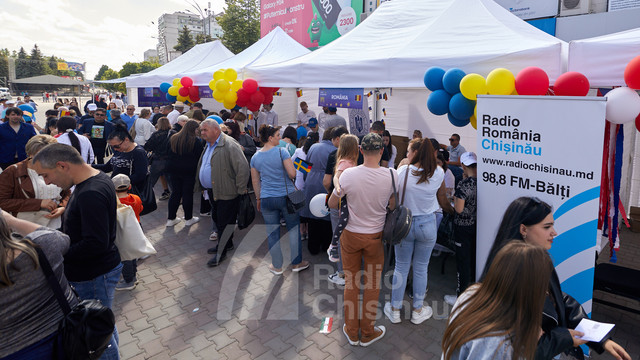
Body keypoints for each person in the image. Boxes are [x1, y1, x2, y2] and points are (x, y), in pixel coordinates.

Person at [481, 197, 631, 360]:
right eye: (547, 227)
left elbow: (557, 299)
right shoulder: (508, 276)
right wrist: (565, 338)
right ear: (523, 229)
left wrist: (600, 338)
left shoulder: (540, 259)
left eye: (552, 225)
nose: (554, 232)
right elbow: (519, 350)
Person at [31, 143, 121, 360]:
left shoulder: (91, 192)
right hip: (95, 273)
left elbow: (95, 243)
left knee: (95, 337)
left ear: (62, 165)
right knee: (102, 324)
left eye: (46, 175)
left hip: (93, 274)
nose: (46, 182)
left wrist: (56, 251)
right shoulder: (95, 179)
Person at [327, 133, 396, 347]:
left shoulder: (348, 175)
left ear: (361, 151)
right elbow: (392, 206)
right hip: (375, 236)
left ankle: (351, 328)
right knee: (373, 284)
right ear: (382, 151)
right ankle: (367, 332)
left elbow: (331, 203)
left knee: (351, 282)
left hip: (350, 235)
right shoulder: (392, 175)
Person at [442, 242, 555, 360]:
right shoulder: (500, 345)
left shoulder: (471, 294)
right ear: (527, 290)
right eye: (543, 285)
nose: (546, 293)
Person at [384, 138, 454, 325]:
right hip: (428, 224)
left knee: (401, 266)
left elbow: (392, 198)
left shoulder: (404, 171)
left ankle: (395, 309)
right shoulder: (438, 172)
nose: (408, 153)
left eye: (409, 151)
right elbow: (442, 199)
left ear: (416, 153)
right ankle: (417, 310)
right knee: (422, 268)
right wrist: (451, 211)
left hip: (405, 224)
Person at [0, 210, 78, 359]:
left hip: (12, 351)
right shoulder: (42, 246)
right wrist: (12, 220)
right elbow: (62, 239)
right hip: (67, 338)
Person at [250, 124, 310, 275]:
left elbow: (255, 181)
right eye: (277, 135)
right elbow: (292, 174)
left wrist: (258, 198)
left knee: (272, 232)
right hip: (286, 197)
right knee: (293, 229)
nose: (280, 138)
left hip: (266, 198)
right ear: (270, 138)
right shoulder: (282, 152)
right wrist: (294, 168)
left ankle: (277, 266)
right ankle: (297, 263)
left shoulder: (255, 157)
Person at [196, 119, 250, 267]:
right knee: (218, 218)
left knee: (223, 222)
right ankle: (228, 244)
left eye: (205, 130)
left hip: (227, 191)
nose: (202, 133)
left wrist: (240, 189)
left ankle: (222, 252)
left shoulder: (229, 144)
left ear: (216, 130)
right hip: (213, 190)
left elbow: (243, 168)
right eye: (202, 130)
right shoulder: (209, 144)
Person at [0, 135, 69, 228]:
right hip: (25, 227)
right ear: (30, 154)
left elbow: (67, 193)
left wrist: (62, 207)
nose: (43, 160)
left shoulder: (59, 169)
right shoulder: (14, 171)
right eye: (37, 156)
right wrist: (38, 203)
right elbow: (3, 202)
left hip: (55, 224)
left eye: (48, 156)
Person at [444, 152, 477, 306]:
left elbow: (458, 209)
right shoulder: (484, 181)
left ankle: (460, 297)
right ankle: (471, 292)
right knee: (472, 260)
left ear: (463, 166)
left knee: (462, 262)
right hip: (476, 227)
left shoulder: (464, 184)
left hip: (462, 228)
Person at [302, 127, 338, 255]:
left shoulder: (313, 147)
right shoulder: (335, 150)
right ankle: (325, 245)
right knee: (326, 215)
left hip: (311, 182)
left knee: (313, 215)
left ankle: (313, 246)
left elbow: (305, 166)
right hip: (326, 182)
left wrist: (306, 180)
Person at [326, 134, 359, 264]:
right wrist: (338, 186)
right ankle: (333, 246)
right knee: (343, 220)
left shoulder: (351, 162)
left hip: (349, 197)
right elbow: (336, 176)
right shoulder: (345, 162)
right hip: (344, 198)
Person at [165, 120, 204, 227]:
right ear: (193, 129)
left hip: (173, 170)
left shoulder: (174, 138)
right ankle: (188, 218)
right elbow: (200, 157)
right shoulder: (195, 141)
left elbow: (167, 152)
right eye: (197, 129)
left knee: (175, 193)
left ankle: (171, 218)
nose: (198, 131)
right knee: (187, 194)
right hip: (189, 171)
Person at [93, 124, 149, 192]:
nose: (115, 149)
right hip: (117, 190)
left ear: (126, 140)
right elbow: (107, 167)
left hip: (131, 192)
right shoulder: (121, 150)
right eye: (112, 147)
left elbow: (140, 176)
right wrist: (89, 166)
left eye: (116, 146)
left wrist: (118, 182)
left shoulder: (138, 153)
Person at [112, 174, 143, 291]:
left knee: (124, 256)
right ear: (129, 186)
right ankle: (133, 275)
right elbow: (140, 209)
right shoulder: (136, 198)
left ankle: (128, 280)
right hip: (136, 227)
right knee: (133, 253)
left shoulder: (114, 203)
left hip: (122, 230)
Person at [292, 132, 319, 242]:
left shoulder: (299, 151)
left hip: (298, 184)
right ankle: (307, 231)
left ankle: (301, 231)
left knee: (299, 209)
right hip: (311, 184)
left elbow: (291, 161)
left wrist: (299, 169)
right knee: (309, 208)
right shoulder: (316, 151)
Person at [144, 117, 172, 201]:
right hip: (171, 160)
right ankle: (178, 198)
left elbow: (147, 146)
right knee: (172, 181)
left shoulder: (156, 134)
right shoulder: (173, 133)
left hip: (158, 160)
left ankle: (145, 199)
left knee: (151, 181)